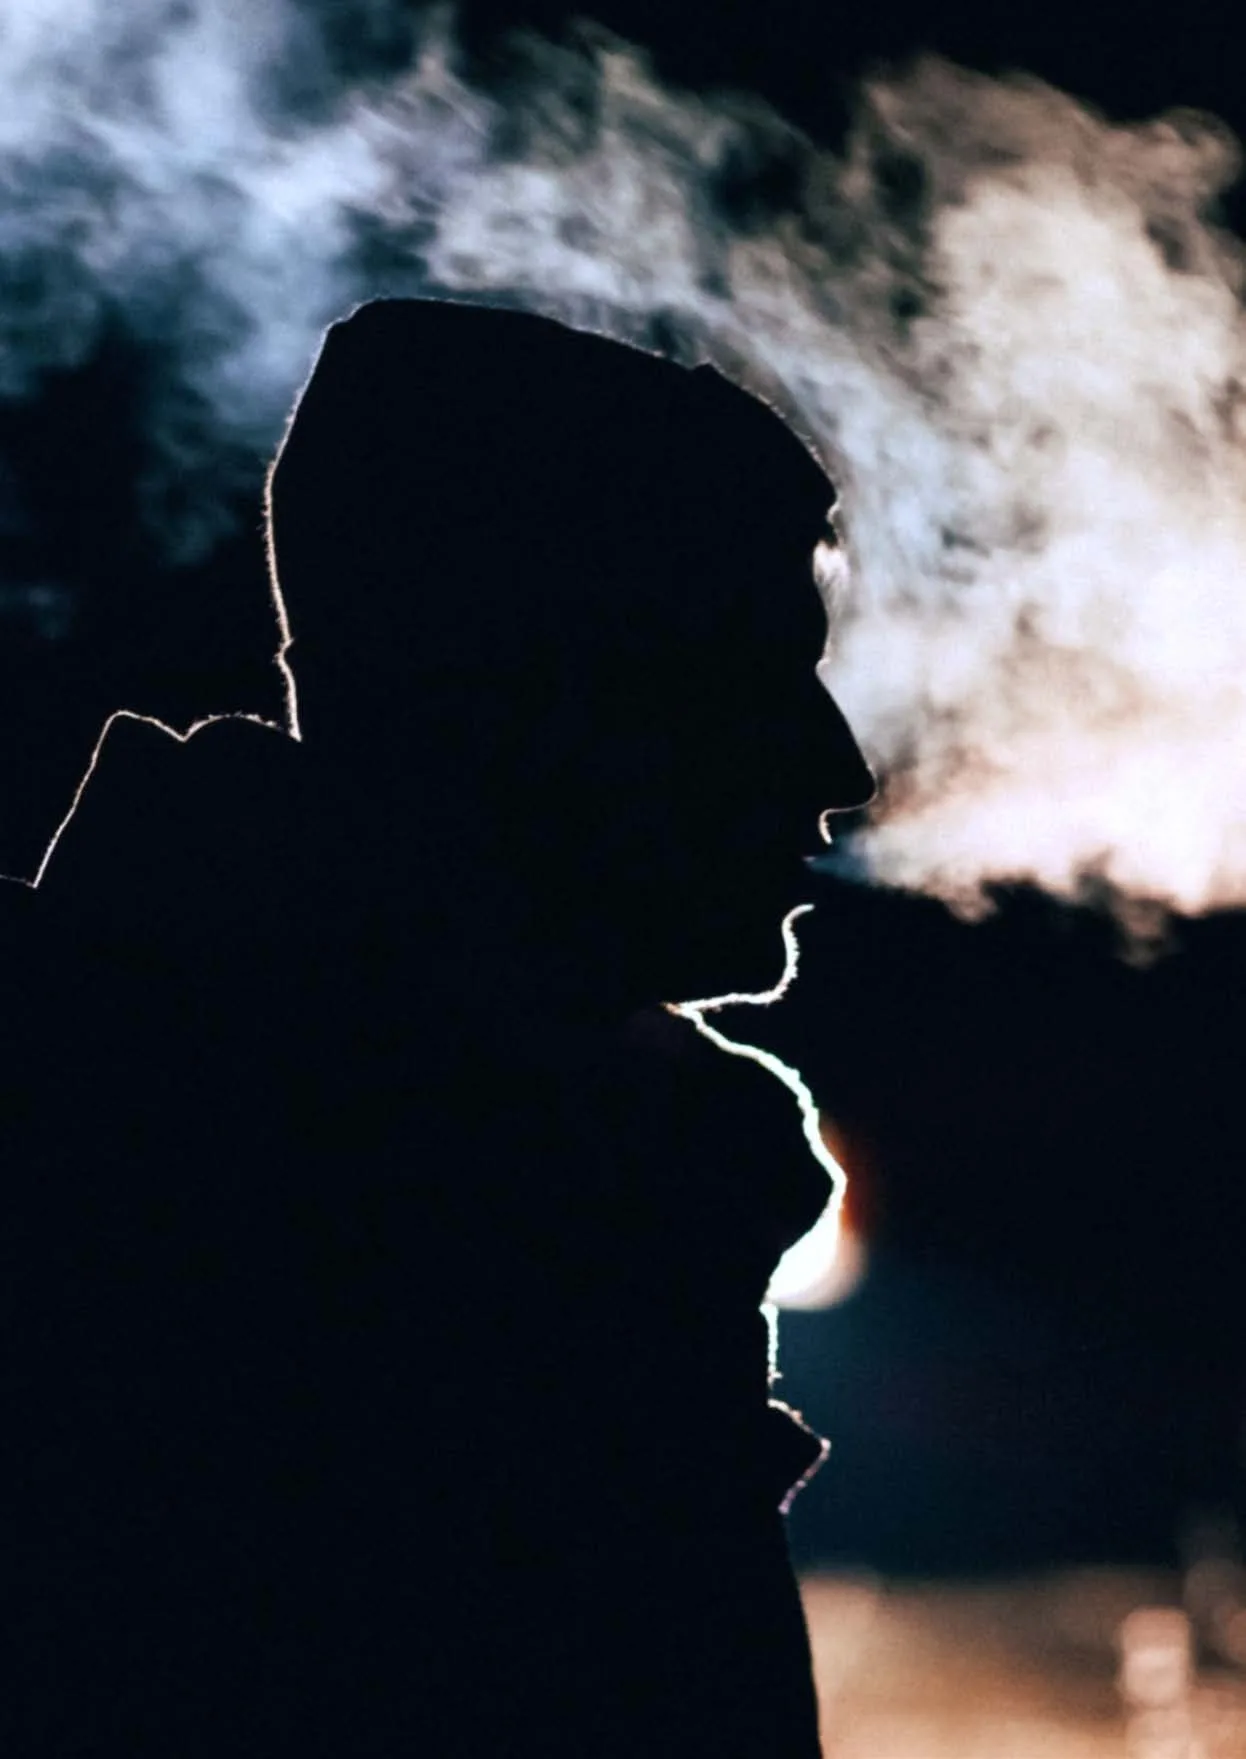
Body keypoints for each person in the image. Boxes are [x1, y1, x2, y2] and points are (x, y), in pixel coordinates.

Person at [1, 299, 873, 1756]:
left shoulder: (589, 1170)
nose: (838, 766)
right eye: (745, 677)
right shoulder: (268, 1229)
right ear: (529, 698)